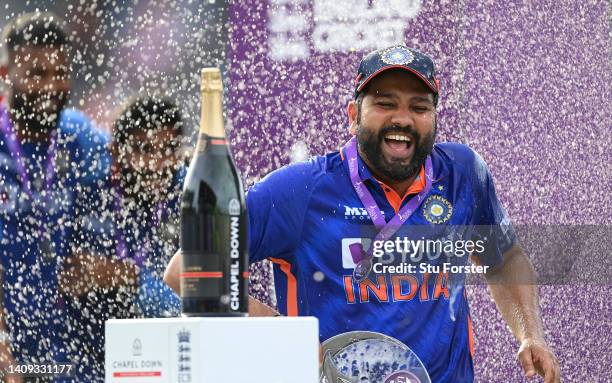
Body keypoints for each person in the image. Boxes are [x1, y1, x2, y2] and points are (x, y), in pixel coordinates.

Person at [164, 45, 560, 382]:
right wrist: (281, 333)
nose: (402, 118)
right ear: (353, 115)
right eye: (385, 104)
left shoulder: (462, 174)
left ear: (435, 118)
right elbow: (187, 271)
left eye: (418, 107)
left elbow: (505, 257)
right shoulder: (301, 191)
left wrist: (530, 333)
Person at [0, 12, 112, 382]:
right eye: (37, 73)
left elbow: (145, 175)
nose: (52, 86)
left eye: (60, 73)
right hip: (9, 346)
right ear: (5, 75)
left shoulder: (79, 138)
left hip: (70, 349)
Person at [108, 95, 185, 317]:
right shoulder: (93, 197)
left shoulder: (193, 196)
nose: (157, 163)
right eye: (145, 149)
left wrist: (130, 278)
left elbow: (199, 302)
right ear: (116, 152)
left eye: (169, 149)